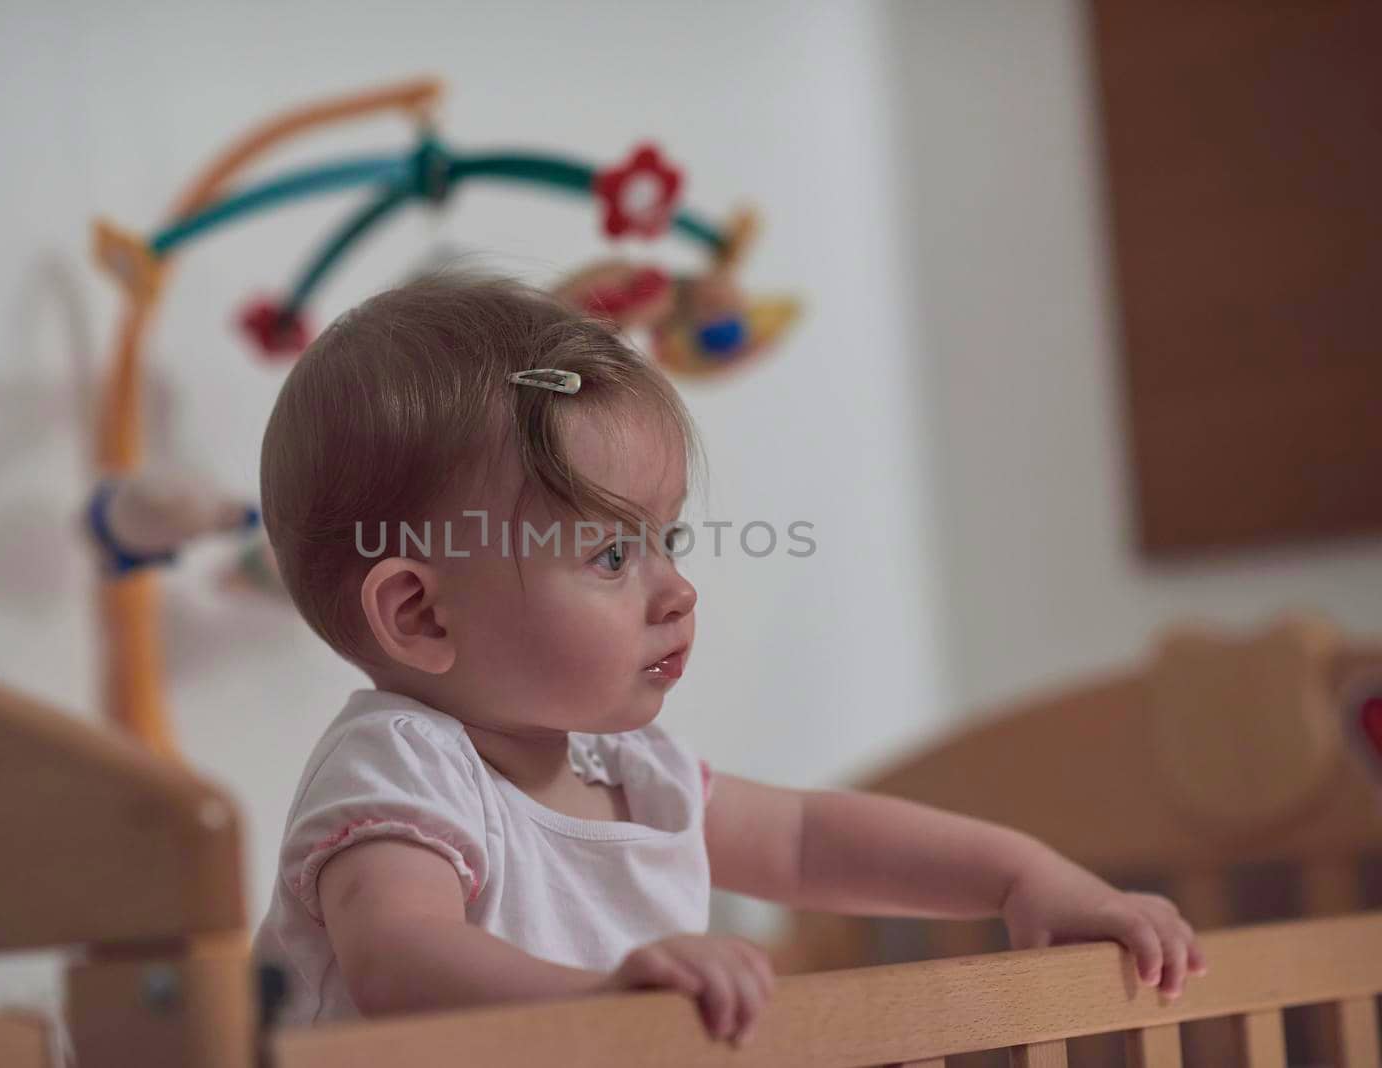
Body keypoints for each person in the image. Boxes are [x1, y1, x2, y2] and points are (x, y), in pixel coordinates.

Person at [252, 274, 1205, 1046]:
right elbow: (401, 958)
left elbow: (806, 841)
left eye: (667, 541)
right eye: (613, 555)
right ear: (420, 614)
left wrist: (1020, 877)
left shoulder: (630, 773)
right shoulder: (402, 764)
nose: (676, 591)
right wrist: (599, 999)